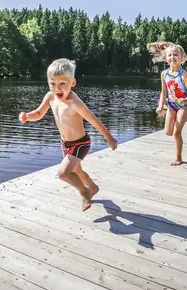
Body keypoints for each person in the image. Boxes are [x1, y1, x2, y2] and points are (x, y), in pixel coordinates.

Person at [18, 58, 117, 211]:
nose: (57, 88)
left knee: (63, 173)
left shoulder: (75, 103)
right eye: (52, 83)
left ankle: (84, 191)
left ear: (73, 83)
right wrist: (27, 116)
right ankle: (93, 186)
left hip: (80, 143)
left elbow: (94, 120)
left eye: (62, 83)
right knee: (77, 171)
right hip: (65, 143)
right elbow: (38, 113)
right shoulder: (50, 97)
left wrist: (109, 138)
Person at [148, 41, 187, 166]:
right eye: (170, 55)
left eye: (175, 55)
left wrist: (186, 99)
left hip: (183, 106)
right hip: (171, 106)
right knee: (168, 132)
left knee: (176, 133)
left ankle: (178, 157)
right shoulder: (164, 74)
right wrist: (160, 105)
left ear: (181, 58)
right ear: (165, 58)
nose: (172, 57)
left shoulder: (184, 75)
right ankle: (176, 133)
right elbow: (164, 93)